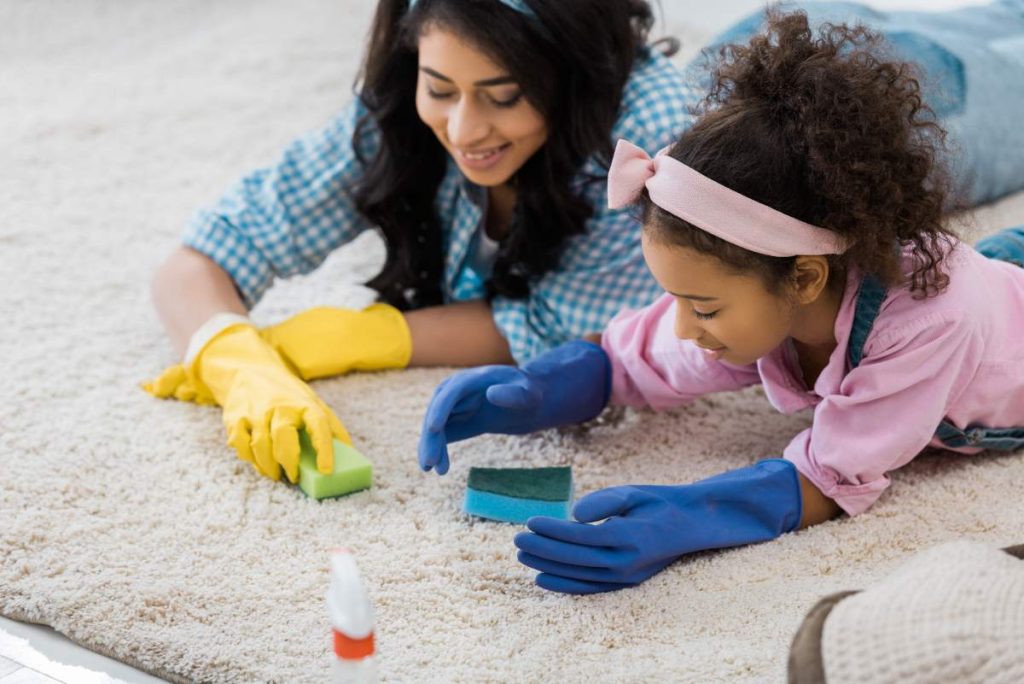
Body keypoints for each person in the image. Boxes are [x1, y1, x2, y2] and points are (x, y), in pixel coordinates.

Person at [416, 9, 1024, 594]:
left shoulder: (929, 326)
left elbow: (833, 473)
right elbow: (639, 358)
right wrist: (541, 389)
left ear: (806, 279)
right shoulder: (770, 276)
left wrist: (689, 517)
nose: (683, 326)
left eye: (703, 308)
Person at [143, 0, 695, 482]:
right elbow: (204, 254)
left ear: (573, 77)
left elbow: (577, 330)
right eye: (439, 89)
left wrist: (371, 336)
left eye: (502, 97)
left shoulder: (647, 132)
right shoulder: (399, 107)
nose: (462, 131)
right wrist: (235, 360)